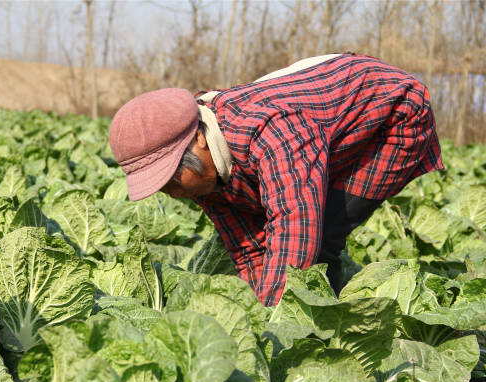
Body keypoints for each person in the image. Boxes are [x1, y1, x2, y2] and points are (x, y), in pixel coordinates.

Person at [108, 53, 443, 307]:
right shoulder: (204, 168)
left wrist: (275, 325)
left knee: (321, 236)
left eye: (172, 181)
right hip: (320, 130)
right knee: (278, 241)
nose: (176, 195)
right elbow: (247, 248)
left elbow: (294, 227)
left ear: (198, 139)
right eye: (164, 188)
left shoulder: (272, 131)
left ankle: (330, 335)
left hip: (393, 116)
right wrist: (256, 314)